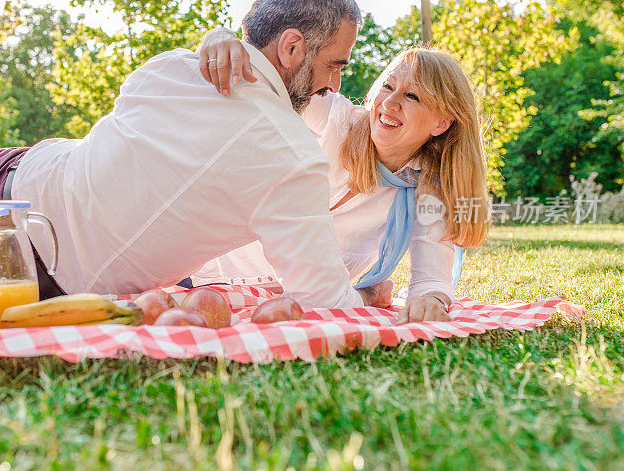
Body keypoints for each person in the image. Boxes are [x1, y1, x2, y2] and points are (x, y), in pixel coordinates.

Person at [0, 0, 370, 309]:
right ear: (291, 47)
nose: (333, 86)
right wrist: (368, 297)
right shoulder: (293, 158)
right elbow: (326, 299)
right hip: (36, 276)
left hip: (7, 175)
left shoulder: (172, 65)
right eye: (335, 65)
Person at [195, 31, 490, 322]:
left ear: (441, 123)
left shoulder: (426, 189)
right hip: (202, 269)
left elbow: (432, 278)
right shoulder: (334, 119)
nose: (389, 104)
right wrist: (222, 40)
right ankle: (365, 297)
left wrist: (430, 301)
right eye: (388, 87)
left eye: (411, 95)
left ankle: (363, 298)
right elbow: (268, 80)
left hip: (286, 303)